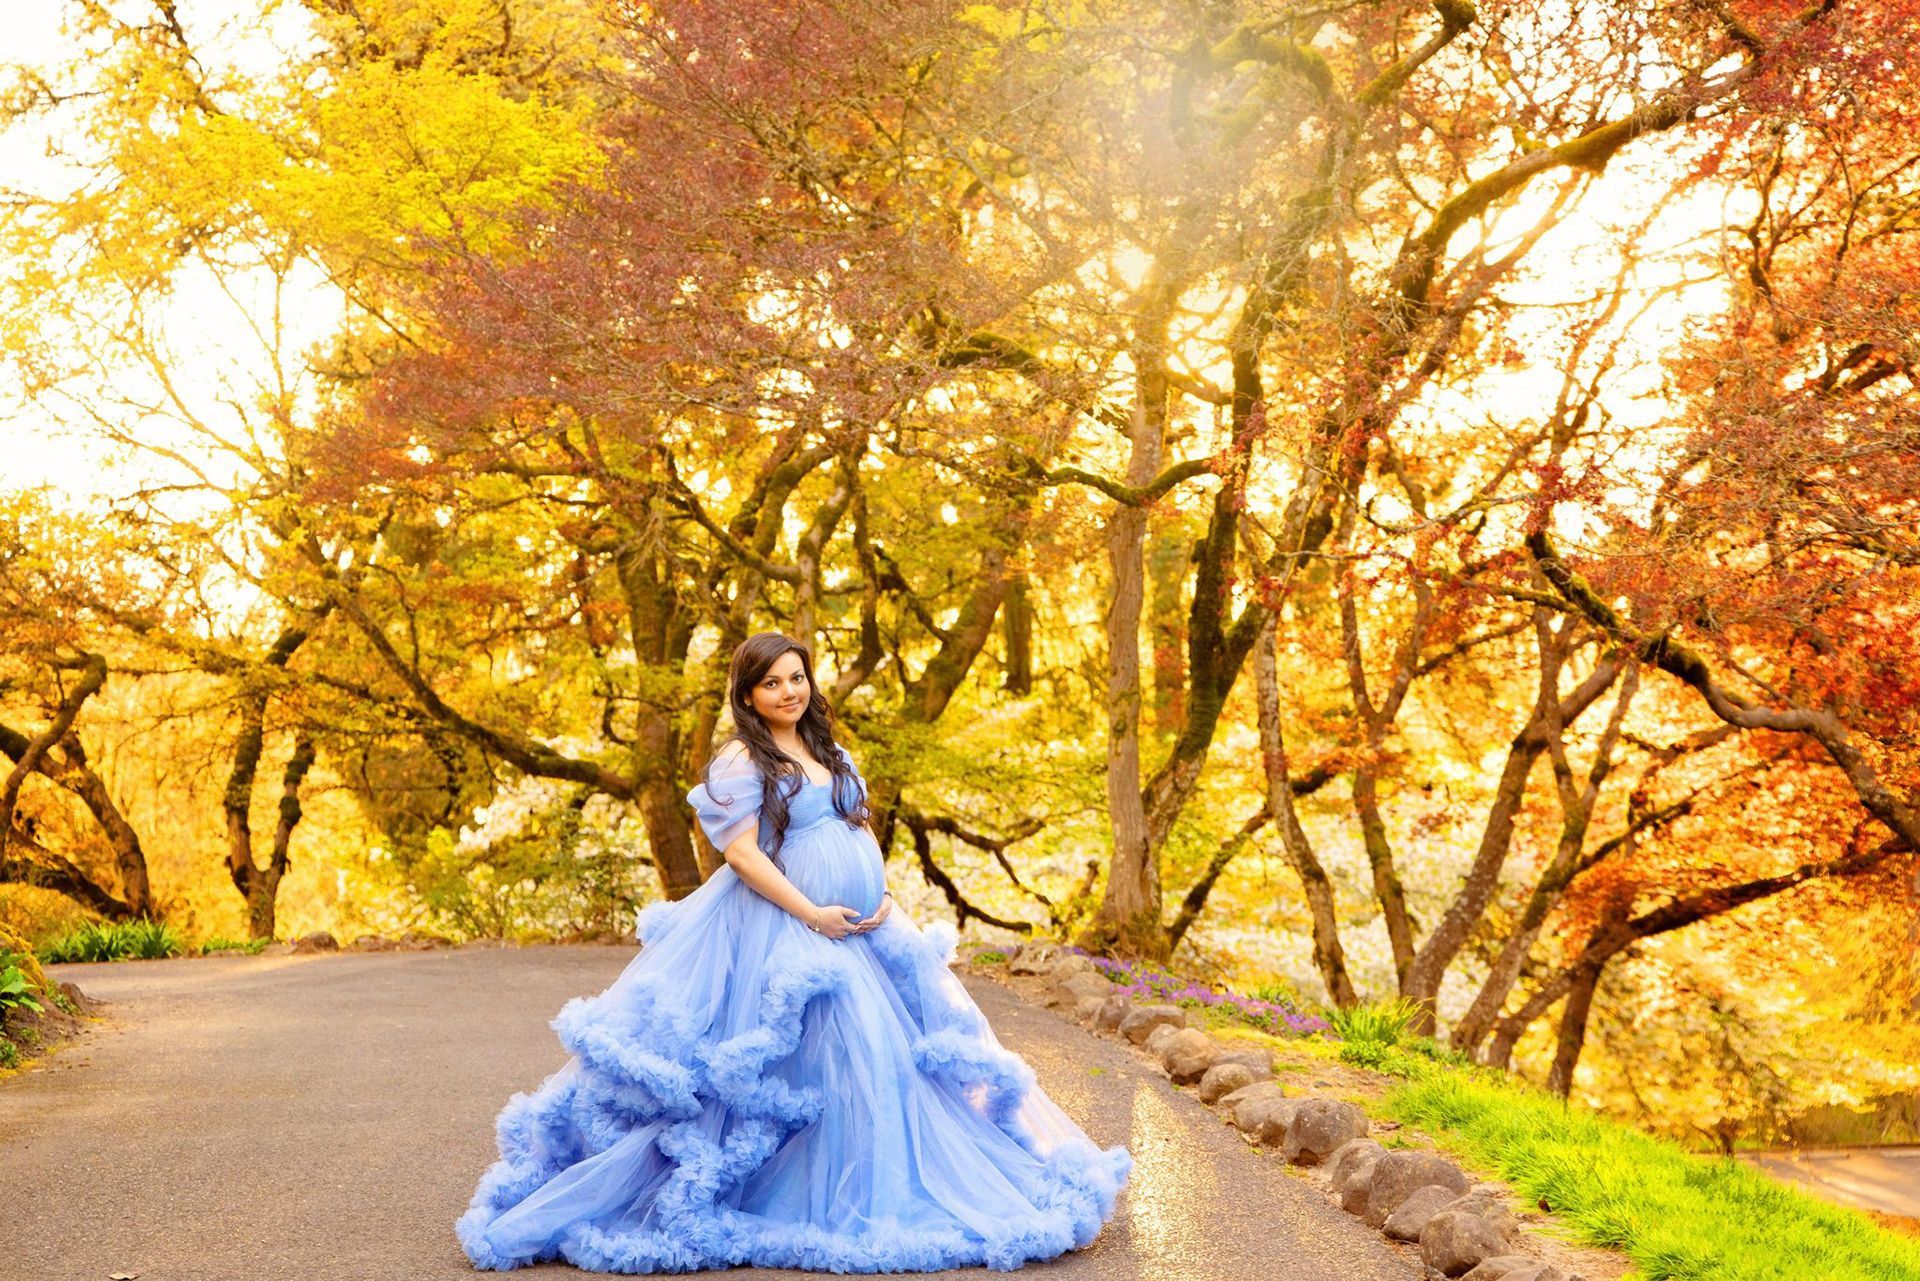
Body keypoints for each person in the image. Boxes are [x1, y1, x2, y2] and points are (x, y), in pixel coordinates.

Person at [455, 631, 1132, 1273]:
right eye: (772, 682)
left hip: (863, 929)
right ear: (748, 694)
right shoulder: (741, 761)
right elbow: (743, 852)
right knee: (827, 1058)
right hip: (787, 929)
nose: (788, 690)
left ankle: (875, 1182)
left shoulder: (828, 750)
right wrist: (810, 911)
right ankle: (819, 1197)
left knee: (883, 1062)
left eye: (797, 677)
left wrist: (883, 893)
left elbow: (855, 825)